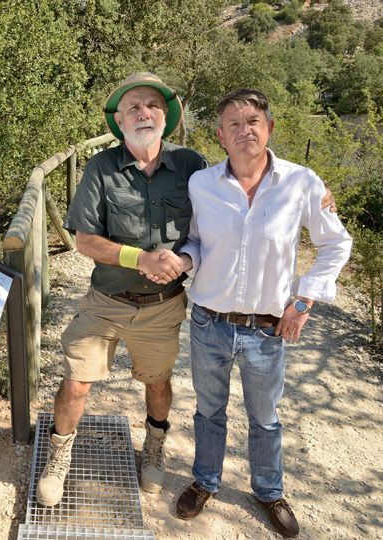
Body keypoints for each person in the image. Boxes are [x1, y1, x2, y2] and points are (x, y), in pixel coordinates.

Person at [169, 89, 352, 538]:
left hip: (267, 330)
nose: (244, 129)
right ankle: (205, 481)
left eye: (253, 121)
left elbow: (336, 245)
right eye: (233, 123)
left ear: (269, 128)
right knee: (208, 411)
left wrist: (304, 299)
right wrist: (183, 261)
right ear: (220, 136)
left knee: (265, 418)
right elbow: (195, 240)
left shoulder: (302, 182)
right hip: (209, 321)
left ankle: (269, 491)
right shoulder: (202, 185)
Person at [36, 72, 206, 507]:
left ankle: (153, 447)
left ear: (166, 115)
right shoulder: (101, 168)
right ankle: (59, 457)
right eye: (133, 106)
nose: (143, 112)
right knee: (76, 382)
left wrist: (307, 189)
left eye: (152, 105)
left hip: (164, 306)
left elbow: (239, 189)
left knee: (158, 384)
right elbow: (85, 240)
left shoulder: (192, 165)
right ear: (120, 120)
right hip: (106, 303)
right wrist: (140, 258)